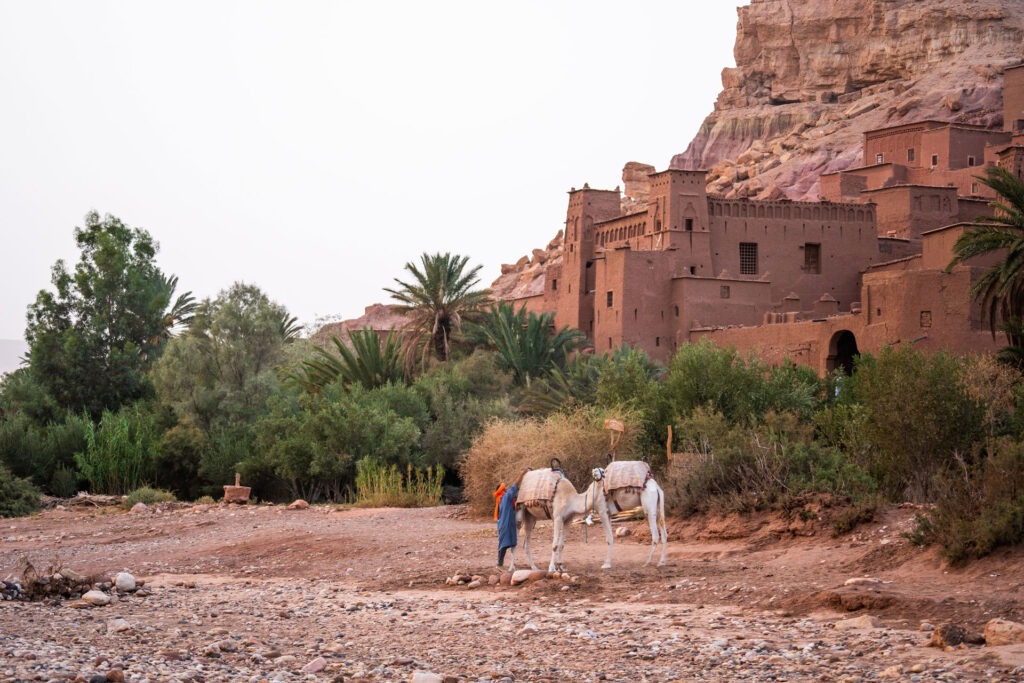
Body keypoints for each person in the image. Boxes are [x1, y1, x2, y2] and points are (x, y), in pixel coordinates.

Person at [496, 469, 528, 569]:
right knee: (505, 544)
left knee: (504, 543)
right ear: (502, 491)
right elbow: (515, 485)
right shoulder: (506, 497)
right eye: (505, 489)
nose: (506, 490)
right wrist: (522, 474)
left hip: (503, 524)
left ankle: (502, 563)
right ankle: (499, 564)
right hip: (506, 524)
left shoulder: (501, 500)